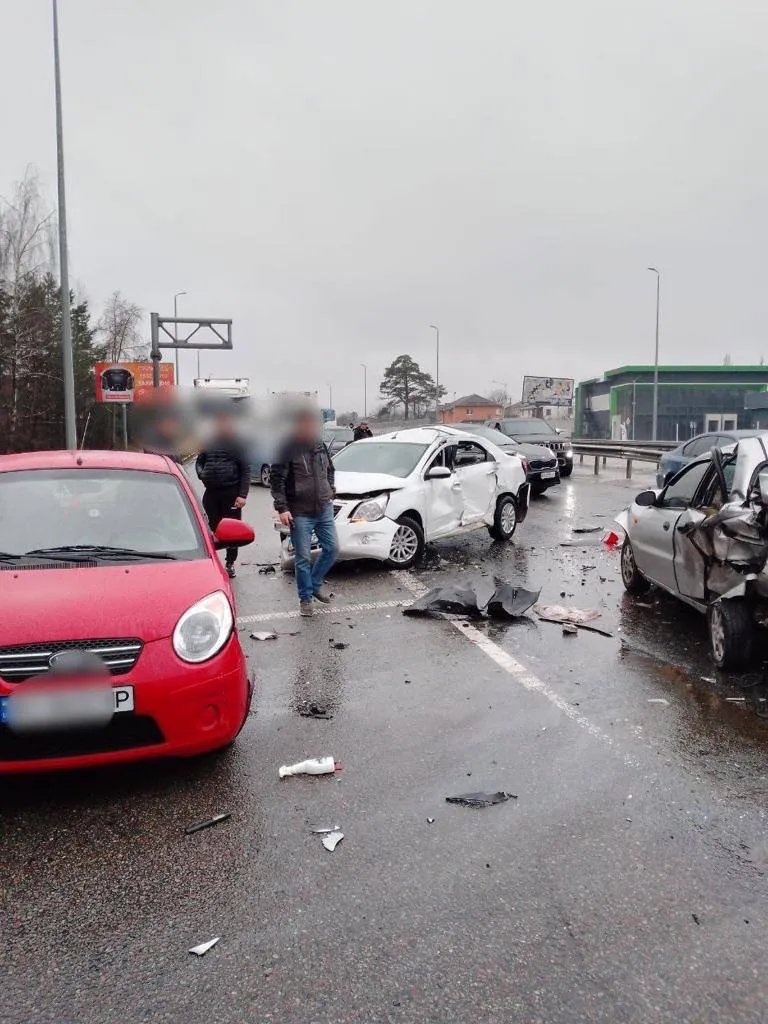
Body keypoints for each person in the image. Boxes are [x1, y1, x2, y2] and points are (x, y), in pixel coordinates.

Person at [270, 407, 338, 616]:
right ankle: (305, 599)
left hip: (323, 508)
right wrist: (282, 508)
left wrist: (331, 490)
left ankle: (314, 584)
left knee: (332, 549)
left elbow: (330, 470)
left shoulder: (319, 445)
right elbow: (277, 480)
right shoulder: (287, 448)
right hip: (300, 512)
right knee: (302, 558)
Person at [195, 411, 250, 578]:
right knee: (210, 529)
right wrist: (202, 474)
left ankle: (230, 562)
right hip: (211, 493)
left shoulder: (238, 444)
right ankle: (212, 562)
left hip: (231, 493)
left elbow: (245, 470)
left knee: (232, 530)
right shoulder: (208, 442)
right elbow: (199, 462)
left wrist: (242, 495)